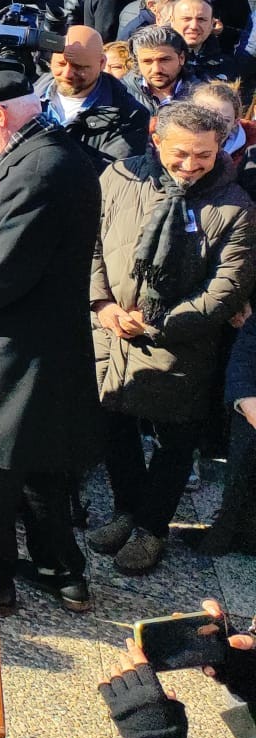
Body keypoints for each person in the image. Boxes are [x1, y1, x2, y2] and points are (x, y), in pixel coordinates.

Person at [0, 72, 102, 613]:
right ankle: (61, 571)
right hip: (33, 345)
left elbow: (2, 271)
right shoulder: (44, 153)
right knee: (37, 462)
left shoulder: (42, 167)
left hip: (8, 348)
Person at [88, 100, 255, 576]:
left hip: (181, 343)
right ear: (156, 138)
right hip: (111, 328)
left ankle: (151, 527)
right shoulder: (120, 177)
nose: (190, 165)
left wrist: (159, 324)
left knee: (174, 440)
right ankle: (127, 510)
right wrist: (103, 305)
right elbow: (92, 243)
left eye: (203, 155)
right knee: (112, 424)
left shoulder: (235, 206)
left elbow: (226, 289)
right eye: (180, 153)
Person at [36, 25, 150, 168]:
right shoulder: (29, 94)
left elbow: (112, 176)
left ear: (102, 63)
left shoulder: (130, 115)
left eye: (79, 67)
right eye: (61, 63)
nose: (67, 74)